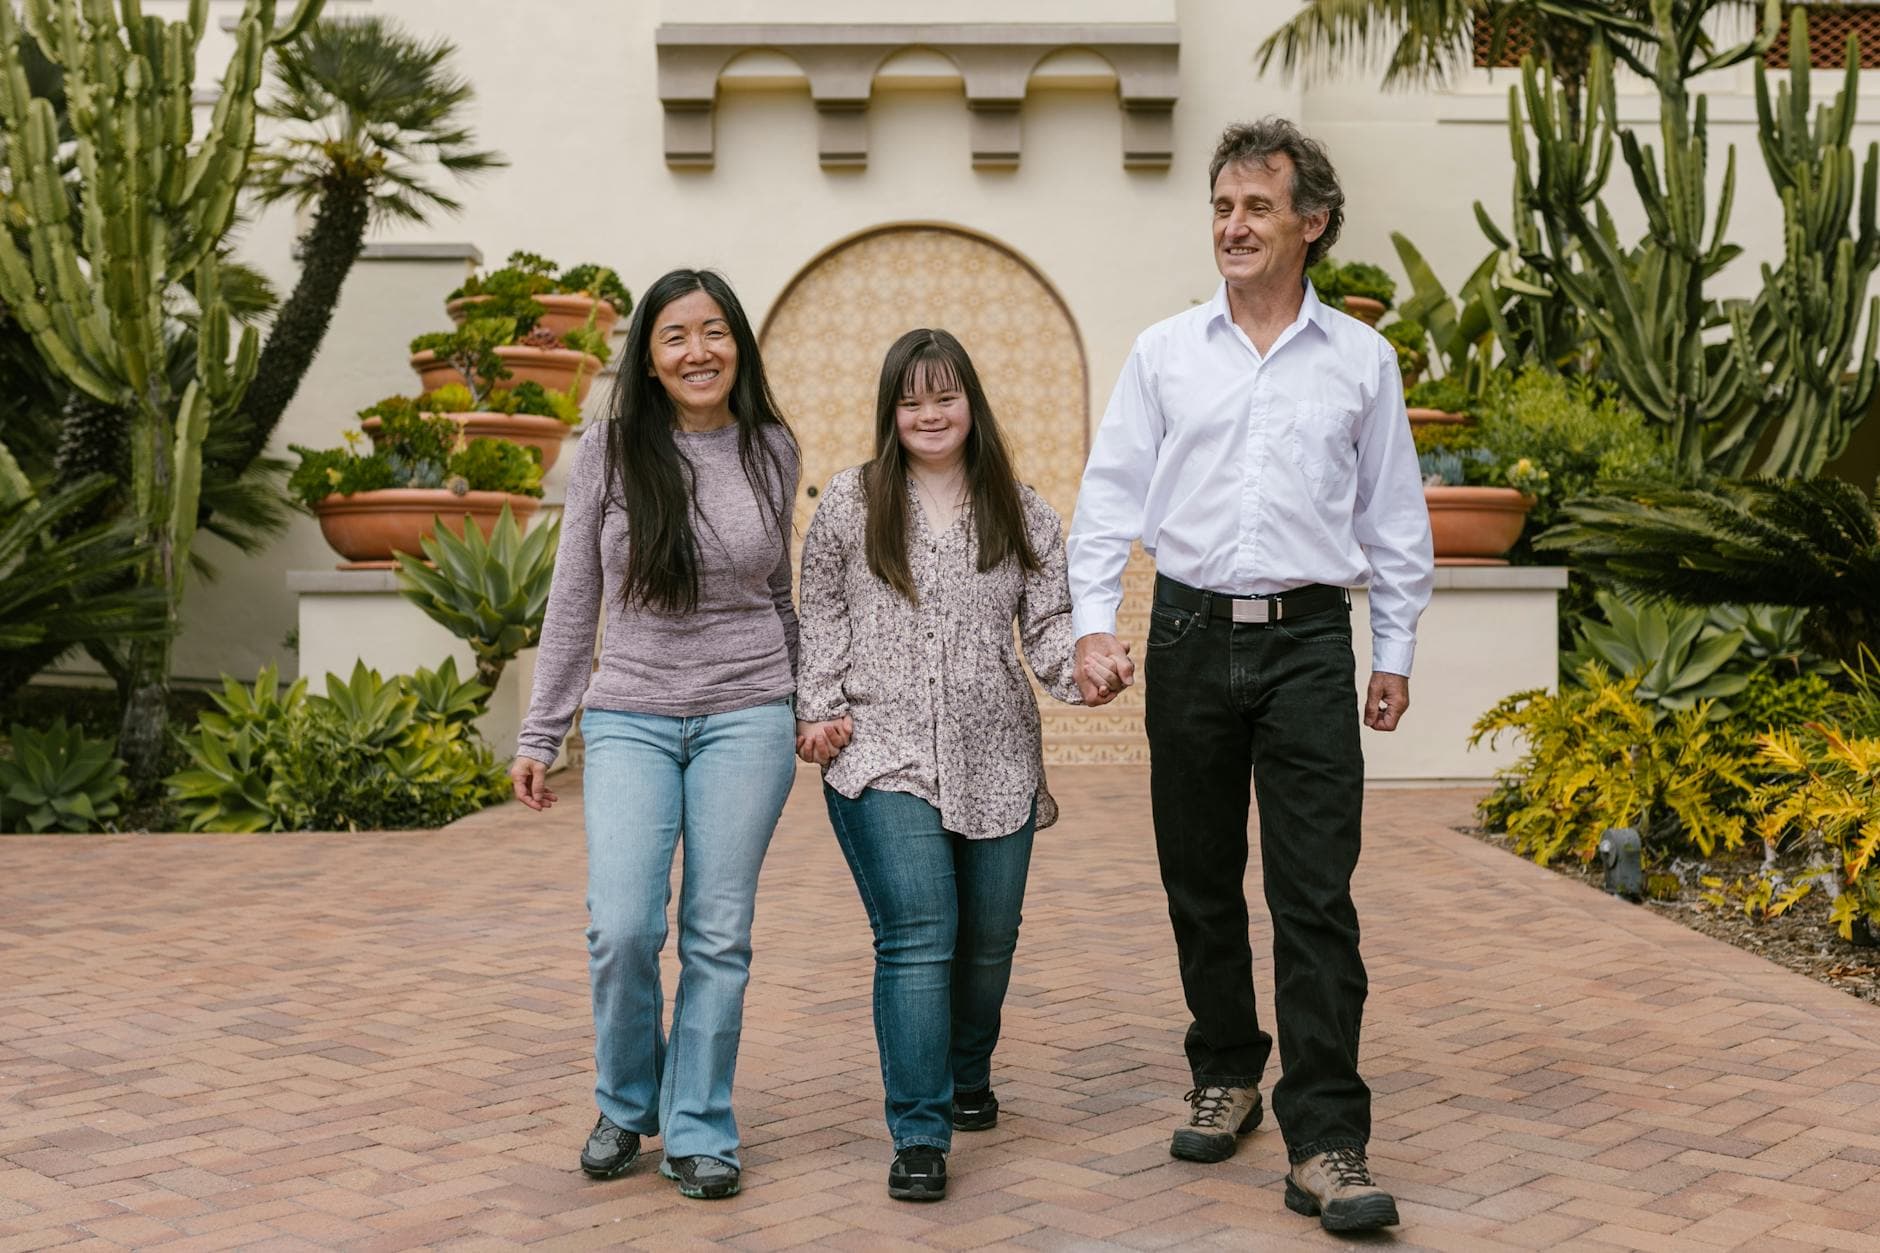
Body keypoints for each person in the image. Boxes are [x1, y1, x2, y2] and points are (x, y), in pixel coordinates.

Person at [1066, 118, 1434, 1234]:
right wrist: (1092, 626)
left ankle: (1325, 1134)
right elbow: (1106, 501)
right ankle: (1224, 1064)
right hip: (1184, 634)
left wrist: (1393, 649)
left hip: (1309, 639)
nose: (1231, 225)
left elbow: (1394, 522)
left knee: (1314, 892)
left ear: (1309, 224)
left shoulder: (1361, 362)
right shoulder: (1163, 352)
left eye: (1255, 207)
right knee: (1198, 876)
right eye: (1221, 206)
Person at [794, 328, 1114, 1202]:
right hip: (881, 750)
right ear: (890, 412)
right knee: (920, 932)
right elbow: (818, 607)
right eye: (911, 400)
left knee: (990, 941)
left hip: (998, 752)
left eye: (944, 396)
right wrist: (817, 708)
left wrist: (1085, 671)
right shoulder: (854, 505)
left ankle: (968, 1072)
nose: (928, 414)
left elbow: (1049, 627)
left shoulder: (1021, 508)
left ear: (971, 403)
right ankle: (920, 1130)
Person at [510, 268, 801, 1202]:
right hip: (631, 712)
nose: (698, 351)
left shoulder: (771, 447)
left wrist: (808, 699)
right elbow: (574, 598)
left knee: (718, 932)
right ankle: (626, 1099)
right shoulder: (607, 450)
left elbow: (782, 589)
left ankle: (700, 1124)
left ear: (739, 346)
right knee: (624, 926)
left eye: (714, 332)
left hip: (748, 709)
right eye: (675, 336)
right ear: (649, 356)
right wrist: (541, 728)